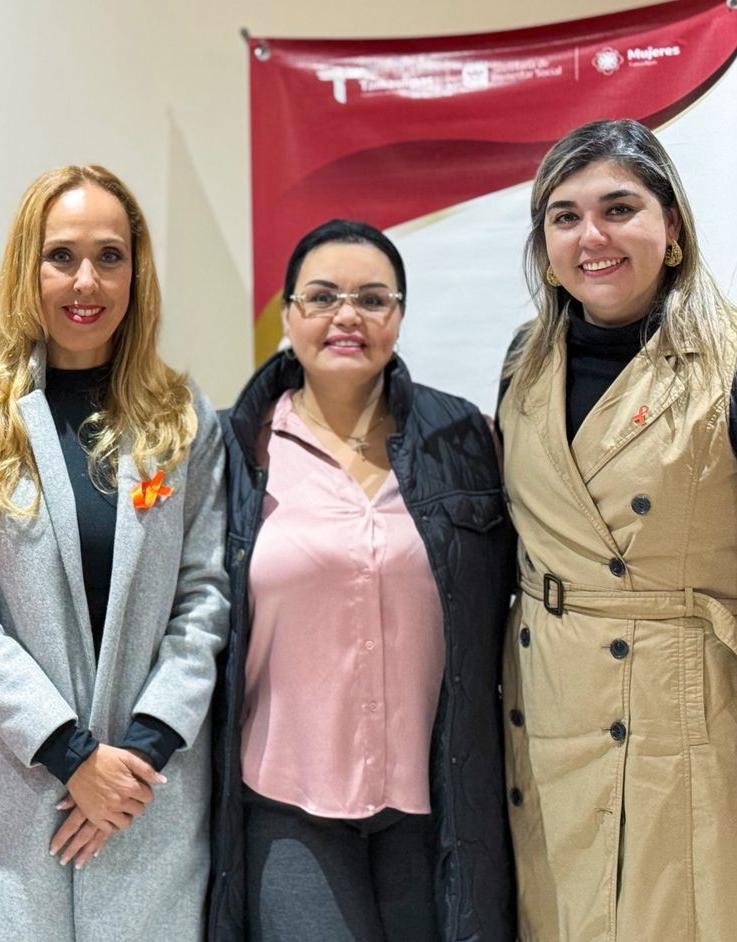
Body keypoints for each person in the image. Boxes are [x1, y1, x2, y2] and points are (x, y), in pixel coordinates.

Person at [500, 118, 737, 940]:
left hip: (701, 725)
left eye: (618, 208)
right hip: (553, 717)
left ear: (671, 228)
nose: (591, 236)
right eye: (564, 216)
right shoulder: (525, 365)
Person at [0, 165, 228, 940]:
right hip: (17, 802)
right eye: (61, 256)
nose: (85, 281)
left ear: (136, 272)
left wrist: (138, 756)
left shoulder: (183, 419)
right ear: (27, 269)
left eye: (109, 256)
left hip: (146, 797)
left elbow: (204, 600)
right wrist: (72, 755)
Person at [206, 220, 516, 941]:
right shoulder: (234, 449)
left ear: (399, 318)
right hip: (287, 800)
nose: (347, 316)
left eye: (373, 300)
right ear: (289, 316)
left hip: (433, 801)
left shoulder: (464, 439)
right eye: (322, 297)